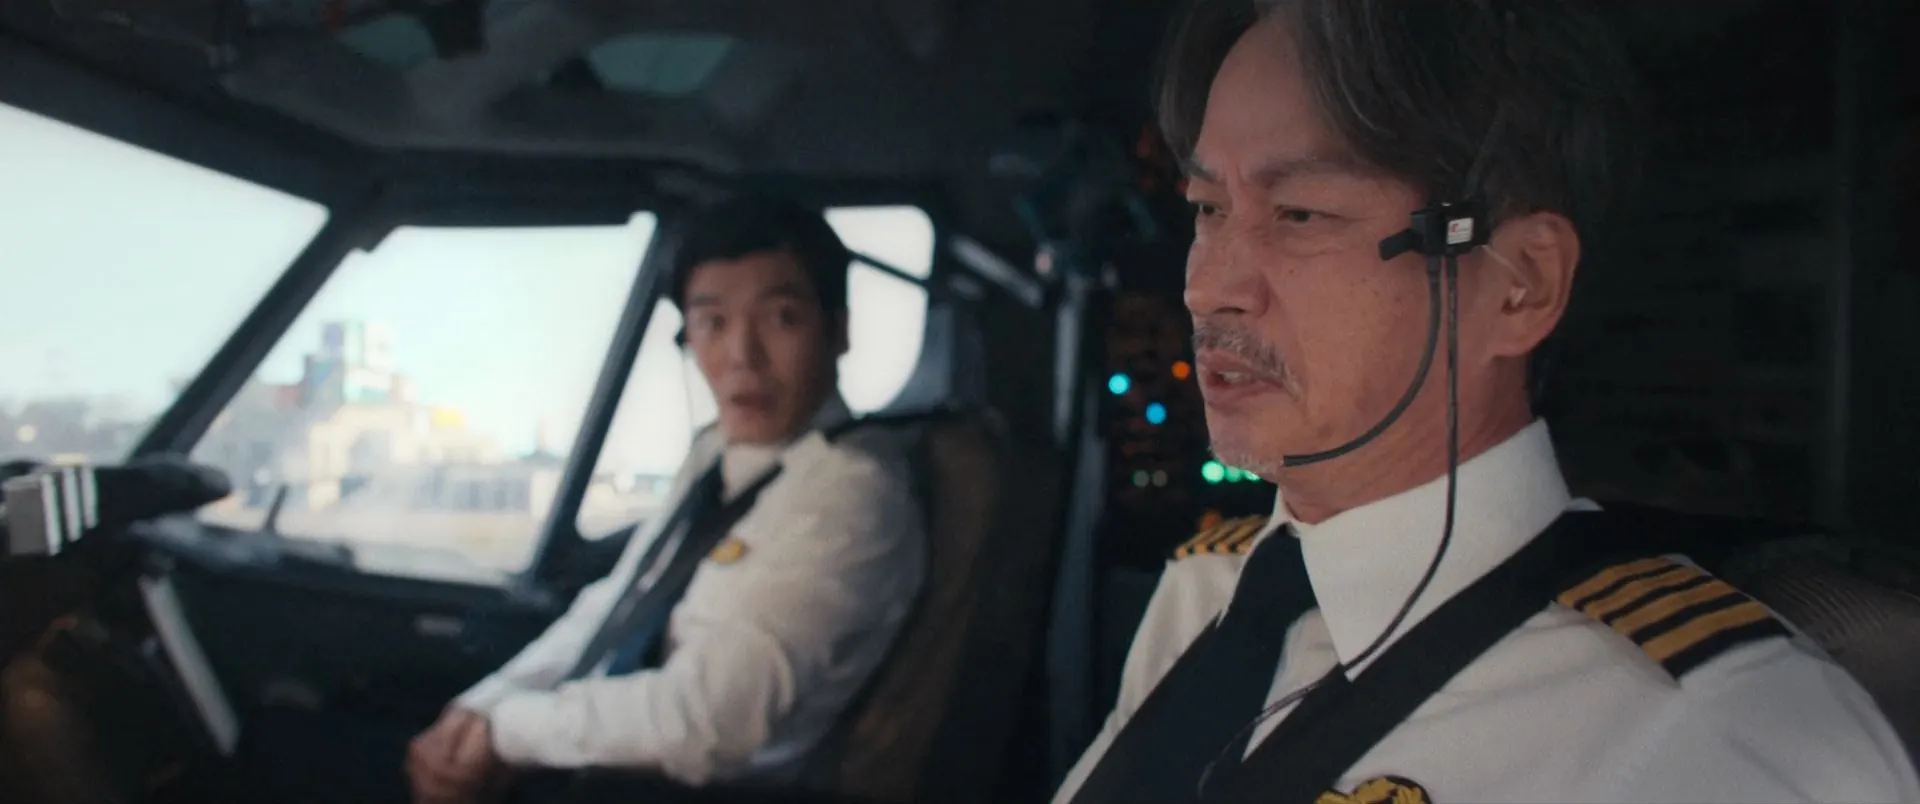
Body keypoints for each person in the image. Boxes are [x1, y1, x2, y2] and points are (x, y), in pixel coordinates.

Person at [1054, 2, 1920, 803]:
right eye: (1208, 207)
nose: (1208, 288)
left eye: (1301, 215)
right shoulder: (1205, 596)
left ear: (1519, 285)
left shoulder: (1714, 737)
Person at [406, 194, 927, 804]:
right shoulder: (718, 456)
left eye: (781, 318)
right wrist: (481, 708)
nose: (742, 356)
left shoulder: (853, 496)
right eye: (712, 323)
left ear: (838, 331)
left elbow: (709, 723)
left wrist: (507, 732)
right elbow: (621, 601)